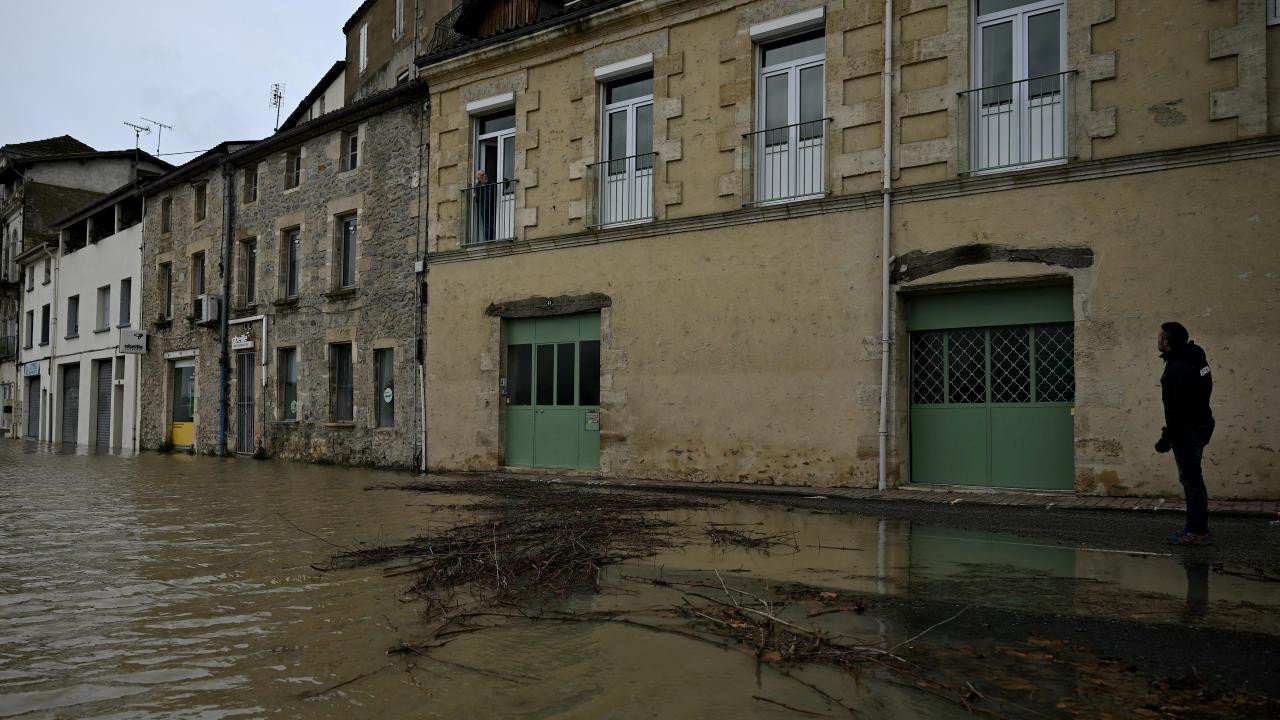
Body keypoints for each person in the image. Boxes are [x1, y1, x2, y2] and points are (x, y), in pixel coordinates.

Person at [1154, 321, 1215, 545]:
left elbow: (1175, 410)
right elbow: (1203, 392)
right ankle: (1199, 526)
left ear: (1166, 342)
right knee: (1195, 478)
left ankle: (1197, 531)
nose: (1157, 340)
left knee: (1191, 480)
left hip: (1187, 433)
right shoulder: (1198, 360)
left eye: (1159, 337)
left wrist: (1167, 438)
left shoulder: (1175, 369)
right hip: (1202, 426)